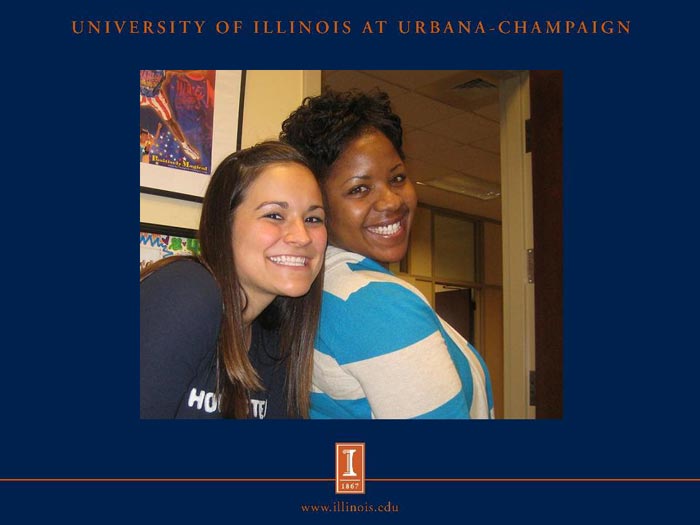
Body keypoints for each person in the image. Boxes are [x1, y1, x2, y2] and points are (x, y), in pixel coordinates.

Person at [281, 89, 494, 419]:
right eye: (359, 189)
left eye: (397, 178)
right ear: (316, 204)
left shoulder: (316, 288)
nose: (392, 201)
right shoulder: (373, 302)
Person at [140, 141, 327, 419]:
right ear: (224, 225)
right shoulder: (186, 292)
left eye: (313, 219)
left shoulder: (275, 338)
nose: (302, 236)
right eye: (274, 215)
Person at [140, 69, 201, 161]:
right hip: (141, 94)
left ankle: (185, 146)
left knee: (170, 121)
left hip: (155, 98)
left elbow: (182, 71)